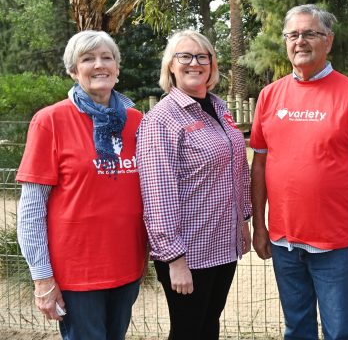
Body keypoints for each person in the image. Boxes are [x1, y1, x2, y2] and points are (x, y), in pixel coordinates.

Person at [250, 4, 348, 339]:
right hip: (283, 241)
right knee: (297, 329)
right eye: (293, 35)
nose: (300, 41)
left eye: (310, 33)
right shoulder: (269, 96)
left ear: (329, 40)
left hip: (334, 245)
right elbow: (260, 165)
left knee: (338, 331)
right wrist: (259, 227)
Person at [16, 30, 147, 339]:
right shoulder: (50, 121)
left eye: (107, 57)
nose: (99, 65)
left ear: (117, 67)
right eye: (88, 59)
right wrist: (42, 278)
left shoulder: (136, 122)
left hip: (128, 268)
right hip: (77, 274)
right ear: (73, 71)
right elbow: (31, 209)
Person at [137, 29, 251, 340]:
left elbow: (239, 169)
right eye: (185, 56)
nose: (195, 63)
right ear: (170, 65)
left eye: (203, 56)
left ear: (212, 64)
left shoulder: (220, 108)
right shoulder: (161, 120)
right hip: (189, 252)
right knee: (188, 331)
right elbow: (158, 195)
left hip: (223, 245)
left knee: (208, 326)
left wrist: (243, 220)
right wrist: (174, 259)